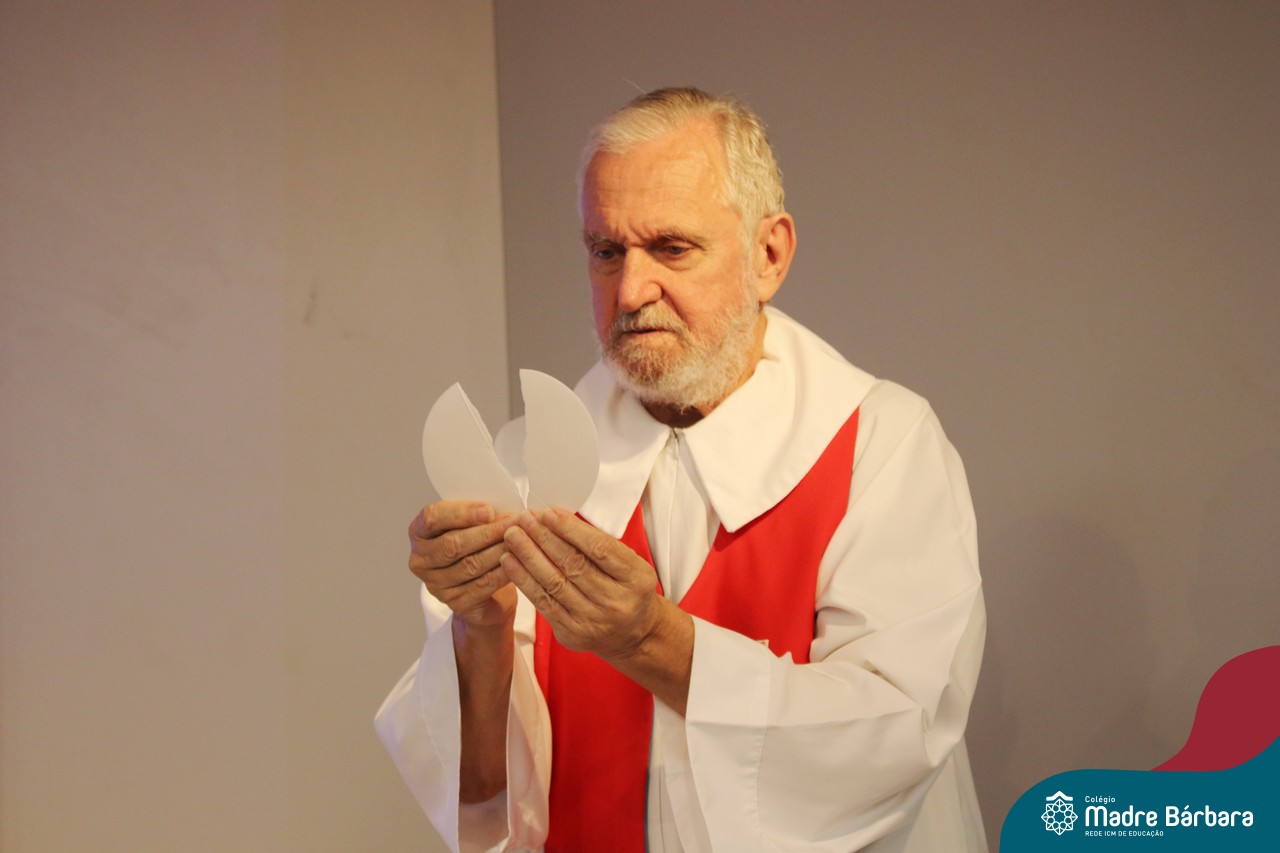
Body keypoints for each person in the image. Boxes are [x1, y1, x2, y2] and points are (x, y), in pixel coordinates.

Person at [377, 87, 987, 852]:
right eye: (606, 251)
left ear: (768, 255)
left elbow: (895, 735)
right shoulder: (525, 466)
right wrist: (483, 628)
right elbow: (482, 796)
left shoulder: (880, 444)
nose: (631, 292)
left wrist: (649, 637)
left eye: (671, 247)